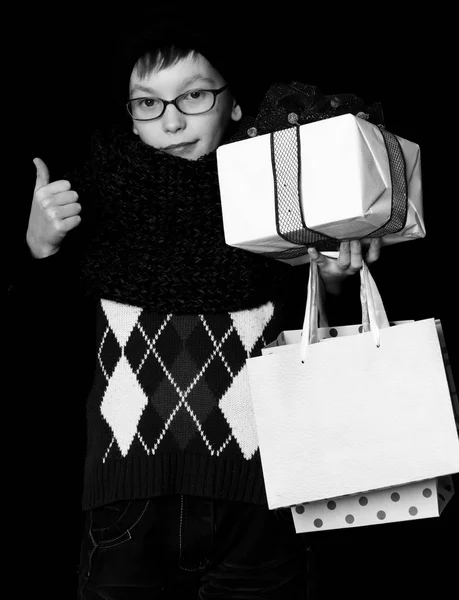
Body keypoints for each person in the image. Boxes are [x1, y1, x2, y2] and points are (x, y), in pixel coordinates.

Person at [19, 15, 382, 599]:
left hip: (264, 499)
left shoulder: (287, 185)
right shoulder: (87, 198)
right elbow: (40, 338)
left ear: (234, 103)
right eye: (148, 102)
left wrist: (339, 273)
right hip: (126, 503)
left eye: (194, 94)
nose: (170, 119)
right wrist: (40, 248)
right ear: (128, 111)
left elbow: (316, 325)